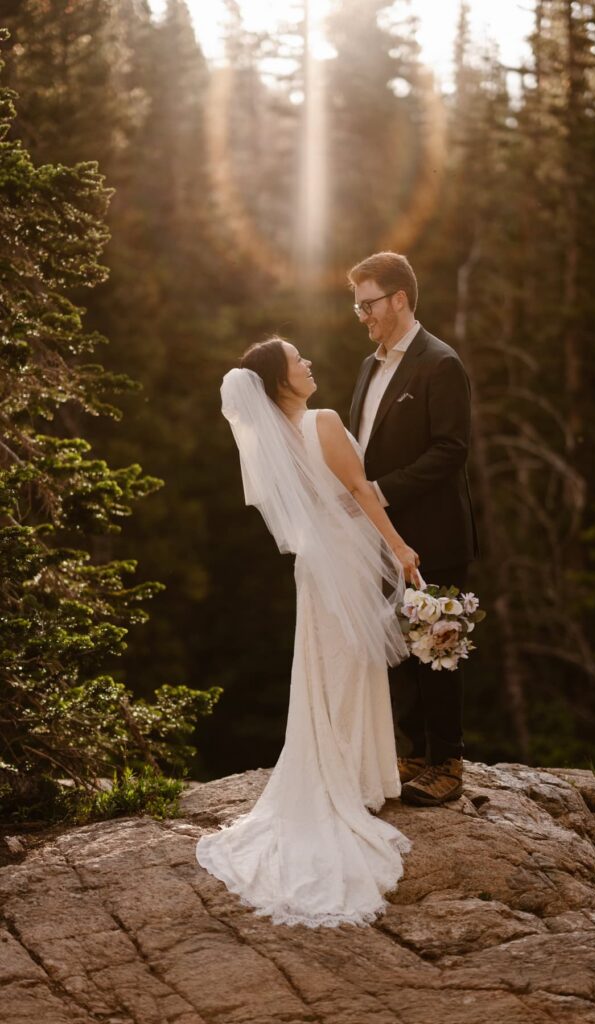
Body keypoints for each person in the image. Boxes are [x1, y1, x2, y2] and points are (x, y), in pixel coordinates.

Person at [195, 336, 420, 928]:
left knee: (327, 666)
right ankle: (353, 781)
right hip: (342, 559)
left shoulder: (284, 440)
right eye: (298, 361)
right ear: (280, 382)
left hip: (317, 565)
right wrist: (398, 548)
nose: (309, 363)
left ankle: (355, 774)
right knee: (347, 665)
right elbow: (360, 490)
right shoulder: (320, 422)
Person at [348, 252, 479, 807]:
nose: (363, 315)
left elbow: (451, 450)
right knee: (396, 648)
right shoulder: (368, 366)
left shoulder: (440, 363)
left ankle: (446, 762)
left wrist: (381, 491)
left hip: (433, 536)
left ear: (399, 299)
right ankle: (412, 757)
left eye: (369, 303)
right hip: (381, 540)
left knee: (437, 648)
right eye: (357, 306)